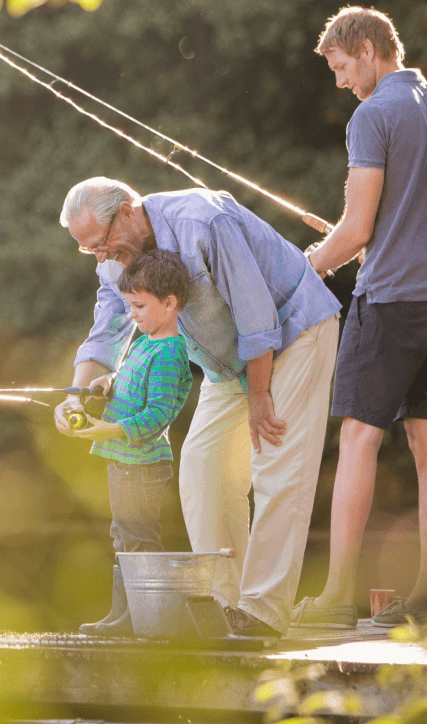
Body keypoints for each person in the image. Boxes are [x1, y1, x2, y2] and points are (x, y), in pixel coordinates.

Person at [55, 177, 341, 637]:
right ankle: (226, 604)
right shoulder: (114, 259)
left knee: (276, 463)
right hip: (225, 359)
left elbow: (256, 314)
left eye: (103, 244)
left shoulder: (203, 222)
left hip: (293, 330)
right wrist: (75, 395)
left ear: (128, 210)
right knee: (203, 465)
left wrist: (260, 396)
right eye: (91, 252)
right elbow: (108, 323)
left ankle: (263, 611)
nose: (102, 257)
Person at [292, 6, 427, 630]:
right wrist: (402, 237)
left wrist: (308, 267)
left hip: (389, 305)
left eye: (344, 67)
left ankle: (336, 597)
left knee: (358, 438)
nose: (342, 81)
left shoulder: (373, 115)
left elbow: (353, 230)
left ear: (372, 49)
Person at [73, 249, 193, 636]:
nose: (134, 314)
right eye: (129, 305)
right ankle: (122, 616)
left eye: (140, 306)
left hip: (143, 466)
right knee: (123, 535)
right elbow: (127, 379)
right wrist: (106, 383)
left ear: (170, 303)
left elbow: (158, 415)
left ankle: (146, 620)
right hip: (123, 462)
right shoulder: (144, 342)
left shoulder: (170, 352)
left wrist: (111, 430)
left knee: (140, 538)